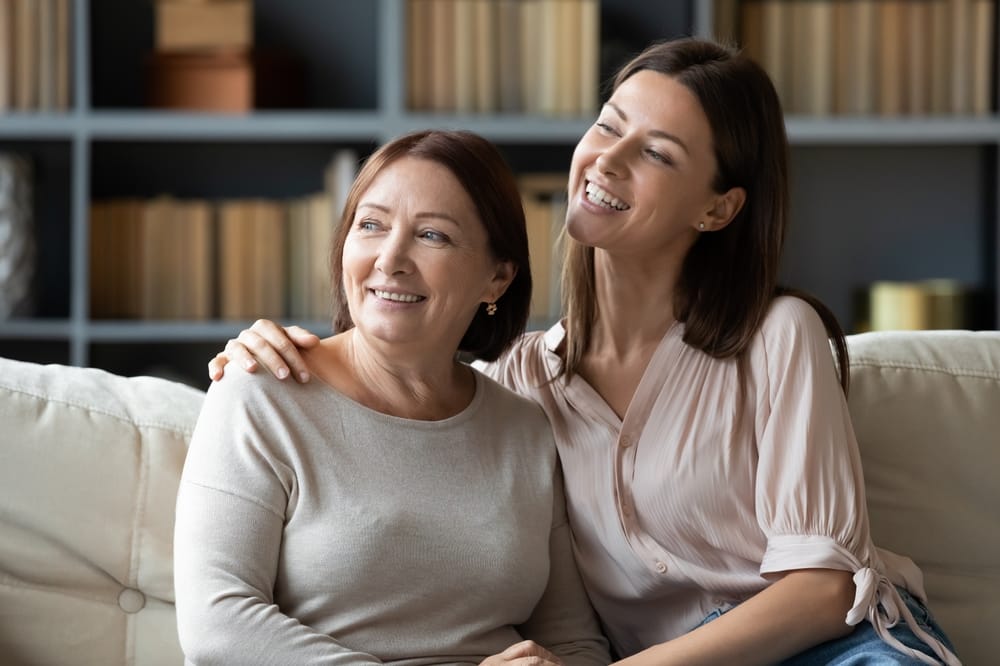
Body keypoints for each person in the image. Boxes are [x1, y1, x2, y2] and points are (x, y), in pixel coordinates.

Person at [207, 39, 961, 665]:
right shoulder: (520, 385)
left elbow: (823, 591)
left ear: (718, 207)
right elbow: (397, 350)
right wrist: (257, 349)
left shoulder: (775, 336)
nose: (608, 159)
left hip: (840, 651)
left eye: (657, 152)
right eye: (609, 125)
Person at [174, 129, 611, 666]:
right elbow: (217, 625)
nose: (391, 258)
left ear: (496, 278)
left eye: (432, 236)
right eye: (372, 225)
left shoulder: (526, 429)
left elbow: (575, 643)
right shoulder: (260, 391)